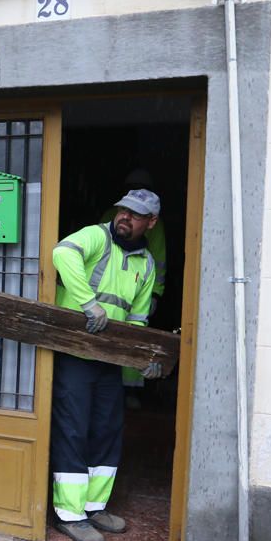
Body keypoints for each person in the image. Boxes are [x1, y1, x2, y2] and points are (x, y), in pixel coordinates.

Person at [49, 188, 163, 541]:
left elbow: (139, 320)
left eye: (135, 214)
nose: (125, 217)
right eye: (123, 210)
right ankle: (70, 514)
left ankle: (94, 507)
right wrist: (88, 304)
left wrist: (142, 359)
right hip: (76, 353)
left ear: (151, 222)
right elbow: (62, 253)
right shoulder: (96, 236)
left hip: (110, 360)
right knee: (73, 429)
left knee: (107, 430)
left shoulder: (146, 264)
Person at [99, 169, 167, 408]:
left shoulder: (147, 224)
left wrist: (155, 290)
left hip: (136, 290)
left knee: (133, 332)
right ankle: (129, 393)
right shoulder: (111, 218)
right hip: (112, 296)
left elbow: (155, 260)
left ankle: (131, 391)